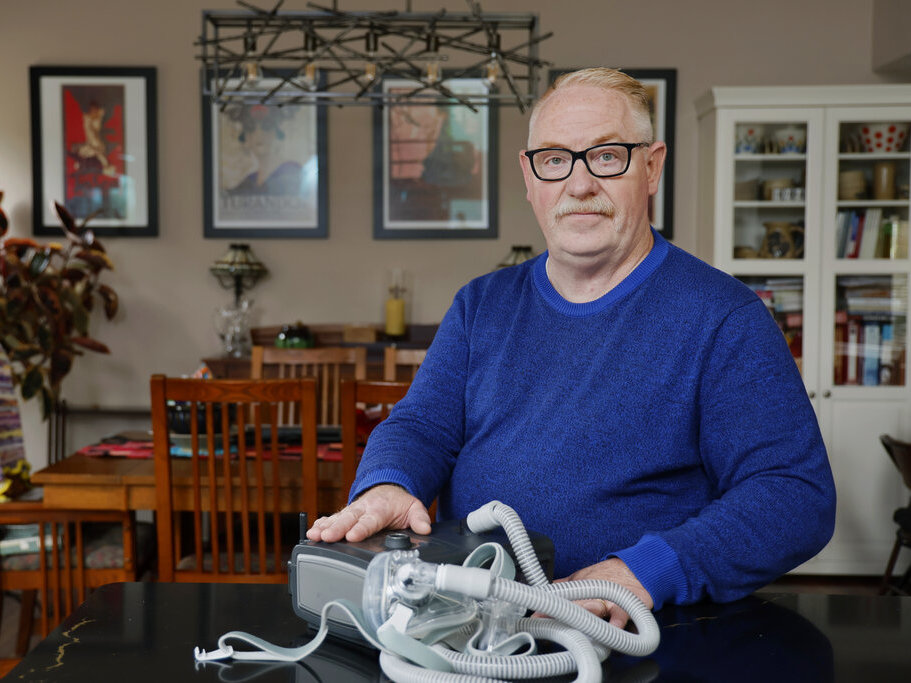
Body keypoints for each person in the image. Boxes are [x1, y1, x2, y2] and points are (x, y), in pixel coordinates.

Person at [307, 67, 836, 627]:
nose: (579, 184)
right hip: (475, 631)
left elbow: (794, 495)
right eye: (555, 160)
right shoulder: (480, 305)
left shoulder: (724, 318)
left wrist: (640, 573)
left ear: (651, 167)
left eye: (607, 156)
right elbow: (421, 427)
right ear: (529, 177)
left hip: (635, 636)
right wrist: (389, 482)